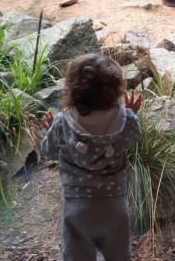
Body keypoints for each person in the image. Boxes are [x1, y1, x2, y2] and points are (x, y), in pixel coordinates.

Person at [41, 54, 142, 261]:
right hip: (114, 206)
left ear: (73, 88)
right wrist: (130, 113)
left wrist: (52, 131)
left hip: (76, 208)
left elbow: (49, 152)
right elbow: (135, 136)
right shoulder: (126, 119)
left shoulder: (62, 122)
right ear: (115, 89)